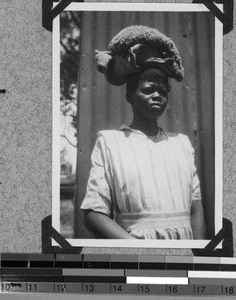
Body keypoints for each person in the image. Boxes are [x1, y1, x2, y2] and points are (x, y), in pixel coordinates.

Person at [80, 25, 207, 240]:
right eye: (148, 89)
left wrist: (199, 257)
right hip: (135, 252)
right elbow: (93, 214)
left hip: (185, 253)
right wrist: (139, 250)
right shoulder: (110, 143)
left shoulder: (181, 144)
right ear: (130, 96)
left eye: (163, 91)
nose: (157, 95)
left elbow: (196, 208)